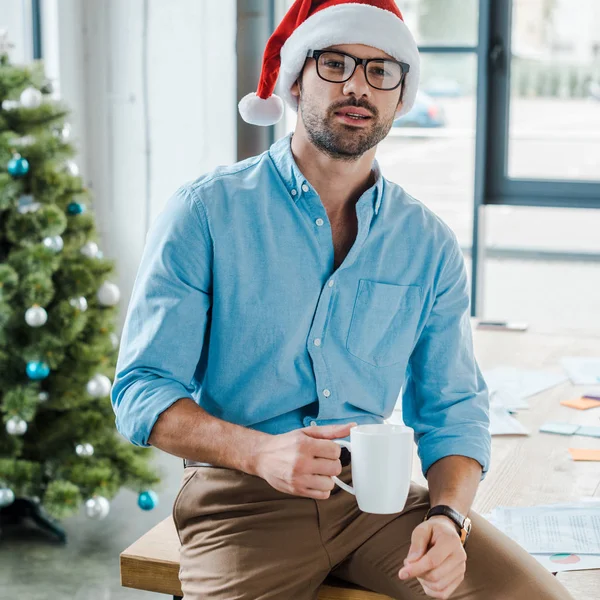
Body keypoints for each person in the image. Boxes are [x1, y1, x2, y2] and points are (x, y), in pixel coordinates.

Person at [111, 1, 575, 598]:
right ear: (296, 77)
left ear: (400, 95)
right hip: (239, 504)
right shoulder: (205, 212)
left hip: (373, 500)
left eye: (382, 70)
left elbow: (453, 409)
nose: (359, 85)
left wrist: (446, 518)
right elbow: (140, 390)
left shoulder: (427, 243)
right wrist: (260, 453)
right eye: (336, 63)